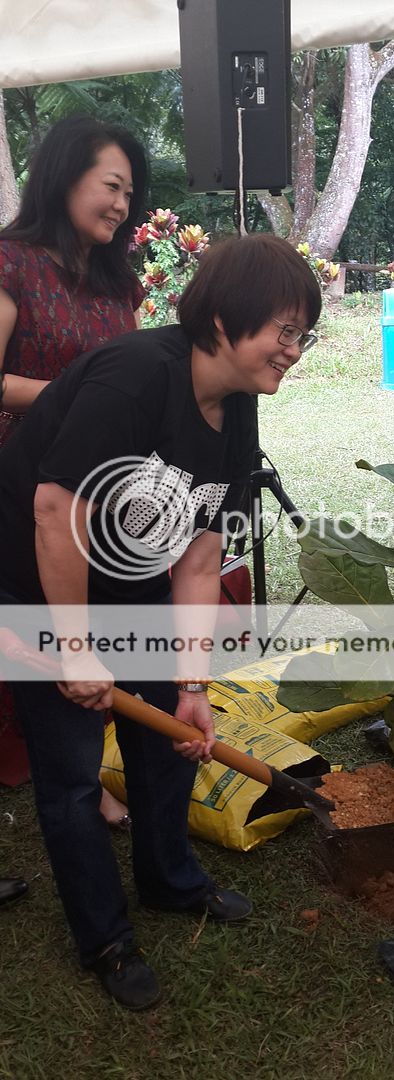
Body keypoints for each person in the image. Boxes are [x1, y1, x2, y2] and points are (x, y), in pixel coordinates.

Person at [0, 231, 322, 1010]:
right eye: (284, 330)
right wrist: (76, 650)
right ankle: (105, 938)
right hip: (33, 575)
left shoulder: (237, 412)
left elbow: (201, 561)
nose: (294, 351)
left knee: (170, 738)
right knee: (72, 772)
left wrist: (191, 685)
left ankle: (169, 879)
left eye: (302, 335)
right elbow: (54, 511)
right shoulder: (136, 376)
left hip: (128, 574)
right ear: (223, 319)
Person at [0, 113, 148, 825]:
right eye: (111, 186)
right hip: (19, 485)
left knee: (93, 631)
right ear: (64, 177)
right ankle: (73, 779)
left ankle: (93, 772)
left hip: (102, 490)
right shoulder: (12, 263)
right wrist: (77, 400)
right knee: (43, 639)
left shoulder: (118, 282)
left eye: (130, 194)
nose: (122, 206)